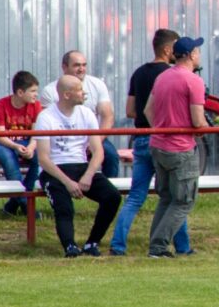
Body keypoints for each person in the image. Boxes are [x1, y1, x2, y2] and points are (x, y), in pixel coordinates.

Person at [109, 29, 191, 257]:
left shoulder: (139, 73)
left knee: (135, 196)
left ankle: (118, 245)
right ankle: (183, 246)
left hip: (141, 139)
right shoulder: (173, 74)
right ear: (167, 50)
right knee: (176, 197)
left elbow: (130, 110)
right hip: (165, 141)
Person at [35, 75, 122, 257]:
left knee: (112, 197)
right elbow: (43, 158)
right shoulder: (45, 117)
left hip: (82, 166)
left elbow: (98, 151)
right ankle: (70, 246)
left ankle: (92, 243)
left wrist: (89, 175)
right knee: (64, 207)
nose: (85, 93)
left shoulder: (87, 114)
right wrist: (67, 182)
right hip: (56, 170)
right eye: (80, 90)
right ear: (67, 95)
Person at [144, 35, 208, 258]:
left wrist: (162, 129)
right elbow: (198, 120)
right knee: (183, 200)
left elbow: (148, 111)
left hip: (158, 146)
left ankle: (156, 246)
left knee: (167, 198)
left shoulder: (163, 77)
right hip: (181, 148)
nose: (199, 55)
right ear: (191, 55)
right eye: (197, 51)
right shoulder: (194, 80)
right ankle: (158, 247)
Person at [41, 50, 120, 178]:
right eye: (77, 65)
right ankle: (60, 185)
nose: (81, 69)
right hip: (62, 138)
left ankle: (108, 188)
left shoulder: (97, 85)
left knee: (110, 154)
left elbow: (108, 116)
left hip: (92, 136)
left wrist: (97, 140)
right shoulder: (50, 91)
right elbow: (47, 122)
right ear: (64, 67)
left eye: (84, 65)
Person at [0, 71, 43, 216]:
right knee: (9, 160)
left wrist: (31, 147)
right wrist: (15, 146)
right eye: (32, 91)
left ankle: (14, 203)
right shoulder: (0, 105)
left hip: (27, 140)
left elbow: (36, 132)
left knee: (40, 158)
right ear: (20, 92)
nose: (36, 95)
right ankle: (26, 205)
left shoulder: (36, 106)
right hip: (2, 142)